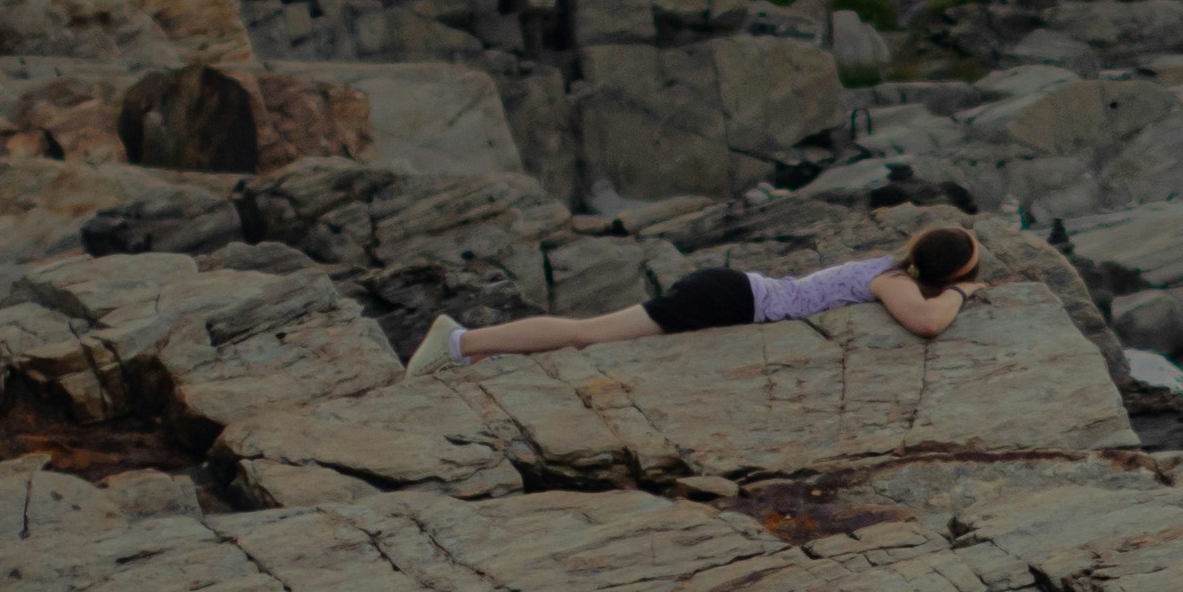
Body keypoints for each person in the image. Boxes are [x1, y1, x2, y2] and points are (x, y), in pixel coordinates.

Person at [403, 224, 985, 369]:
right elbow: (927, 325)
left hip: (731, 292)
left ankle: (476, 352)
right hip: (728, 300)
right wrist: (961, 295)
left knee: (591, 336)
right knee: (587, 334)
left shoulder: (889, 267)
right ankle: (457, 342)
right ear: (946, 273)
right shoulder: (894, 282)